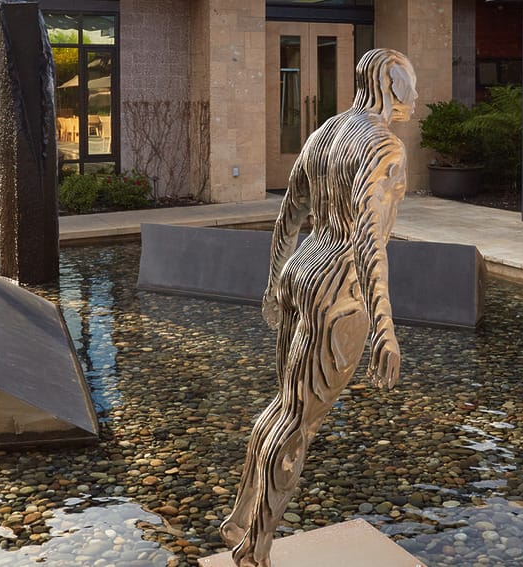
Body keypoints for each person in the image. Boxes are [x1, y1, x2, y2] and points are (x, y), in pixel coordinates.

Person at [220, 48, 417, 567]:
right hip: (339, 293)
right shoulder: (385, 149)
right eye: (410, 85)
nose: (417, 97)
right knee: (299, 423)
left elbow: (289, 214)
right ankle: (255, 549)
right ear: (392, 88)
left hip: (300, 275)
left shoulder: (324, 133)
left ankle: (240, 519)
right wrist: (385, 328)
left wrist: (272, 284)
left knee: (284, 407)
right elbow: (372, 243)